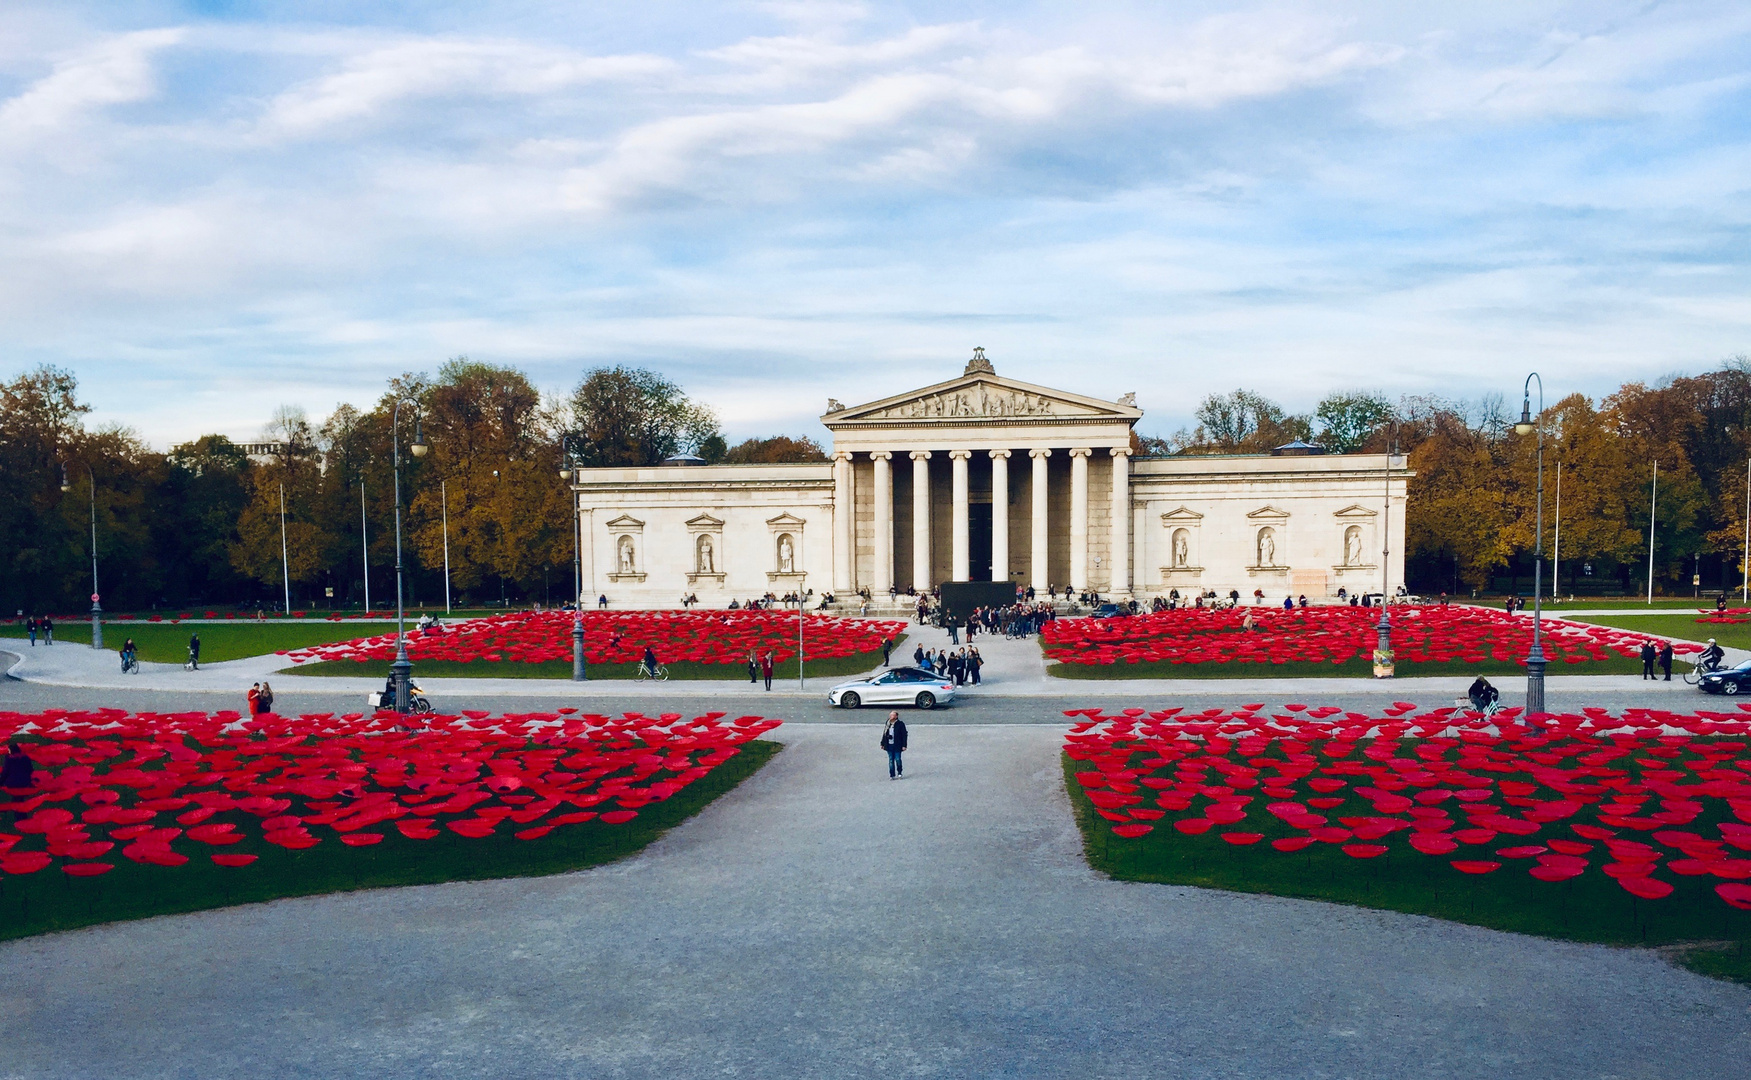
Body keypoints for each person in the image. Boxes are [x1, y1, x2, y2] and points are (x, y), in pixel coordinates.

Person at [1, 742, 35, 818]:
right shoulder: (25, 757)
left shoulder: (9, 759)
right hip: (24, 783)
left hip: (13, 784)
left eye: (9, 750)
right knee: (19, 800)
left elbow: (5, 773)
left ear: (11, 750)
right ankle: (22, 817)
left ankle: (20, 818)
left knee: (16, 801)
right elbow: (30, 770)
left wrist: (1, 783)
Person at [880, 711, 908, 779]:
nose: (890, 717)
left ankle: (899, 772)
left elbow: (904, 735)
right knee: (891, 760)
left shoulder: (900, 724)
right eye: (890, 715)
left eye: (892, 715)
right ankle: (892, 774)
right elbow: (884, 733)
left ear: (896, 716)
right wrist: (882, 743)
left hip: (897, 745)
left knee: (898, 759)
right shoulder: (888, 723)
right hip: (889, 745)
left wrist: (904, 745)